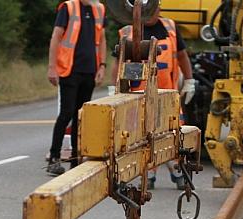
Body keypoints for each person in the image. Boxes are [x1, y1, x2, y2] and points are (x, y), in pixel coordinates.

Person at [114, 2, 195, 188]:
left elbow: (182, 55)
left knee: (173, 134)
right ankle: (148, 174)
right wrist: (114, 87)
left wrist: (189, 81)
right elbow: (119, 61)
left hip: (168, 97)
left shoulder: (170, 27)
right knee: (143, 136)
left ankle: (178, 171)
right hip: (139, 97)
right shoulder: (128, 32)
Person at [46, 0, 108, 176]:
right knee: (66, 114)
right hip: (69, 70)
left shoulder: (99, 9)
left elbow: (102, 39)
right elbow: (56, 37)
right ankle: (54, 157)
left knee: (80, 117)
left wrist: (102, 65)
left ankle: (76, 159)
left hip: (89, 70)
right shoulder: (69, 7)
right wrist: (52, 67)